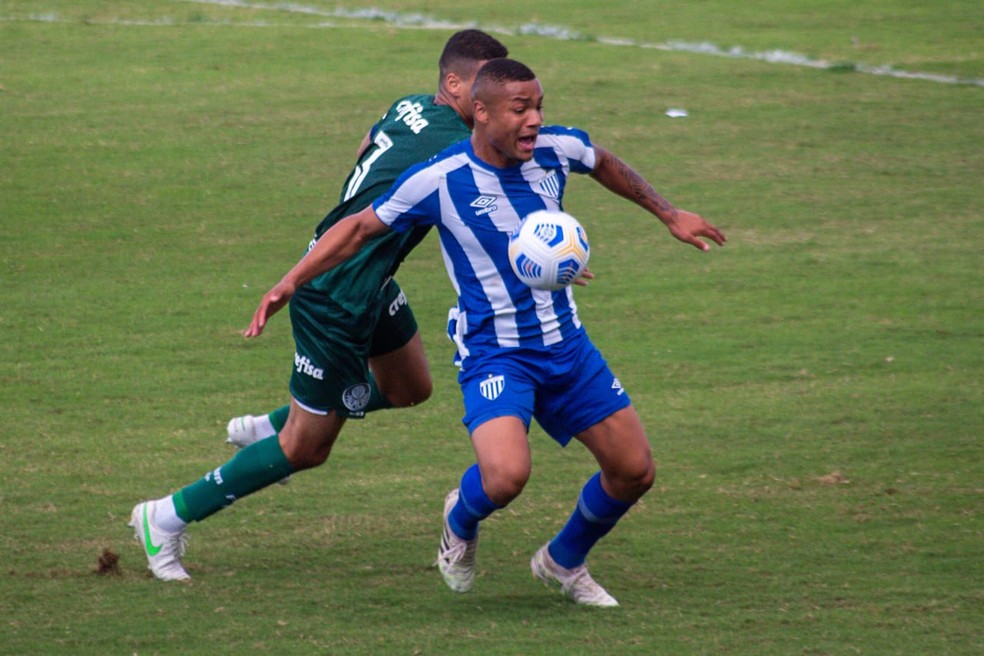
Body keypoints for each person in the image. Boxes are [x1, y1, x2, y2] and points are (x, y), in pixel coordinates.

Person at [244, 58, 726, 606]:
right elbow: (357, 228)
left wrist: (668, 213)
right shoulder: (440, 178)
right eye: (521, 109)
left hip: (566, 345)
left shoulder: (557, 151)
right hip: (496, 352)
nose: (535, 120)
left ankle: (562, 561)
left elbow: (604, 161)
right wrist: (289, 282)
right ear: (480, 112)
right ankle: (459, 517)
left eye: (539, 106)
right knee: (505, 478)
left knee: (634, 471)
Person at [129, 30, 509, 582]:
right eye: (486, 87)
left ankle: (268, 425)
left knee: (410, 387)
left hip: (370, 281)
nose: (494, 100)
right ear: (454, 84)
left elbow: (365, 145)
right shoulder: (453, 147)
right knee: (306, 449)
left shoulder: (411, 106)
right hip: (336, 294)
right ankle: (165, 517)